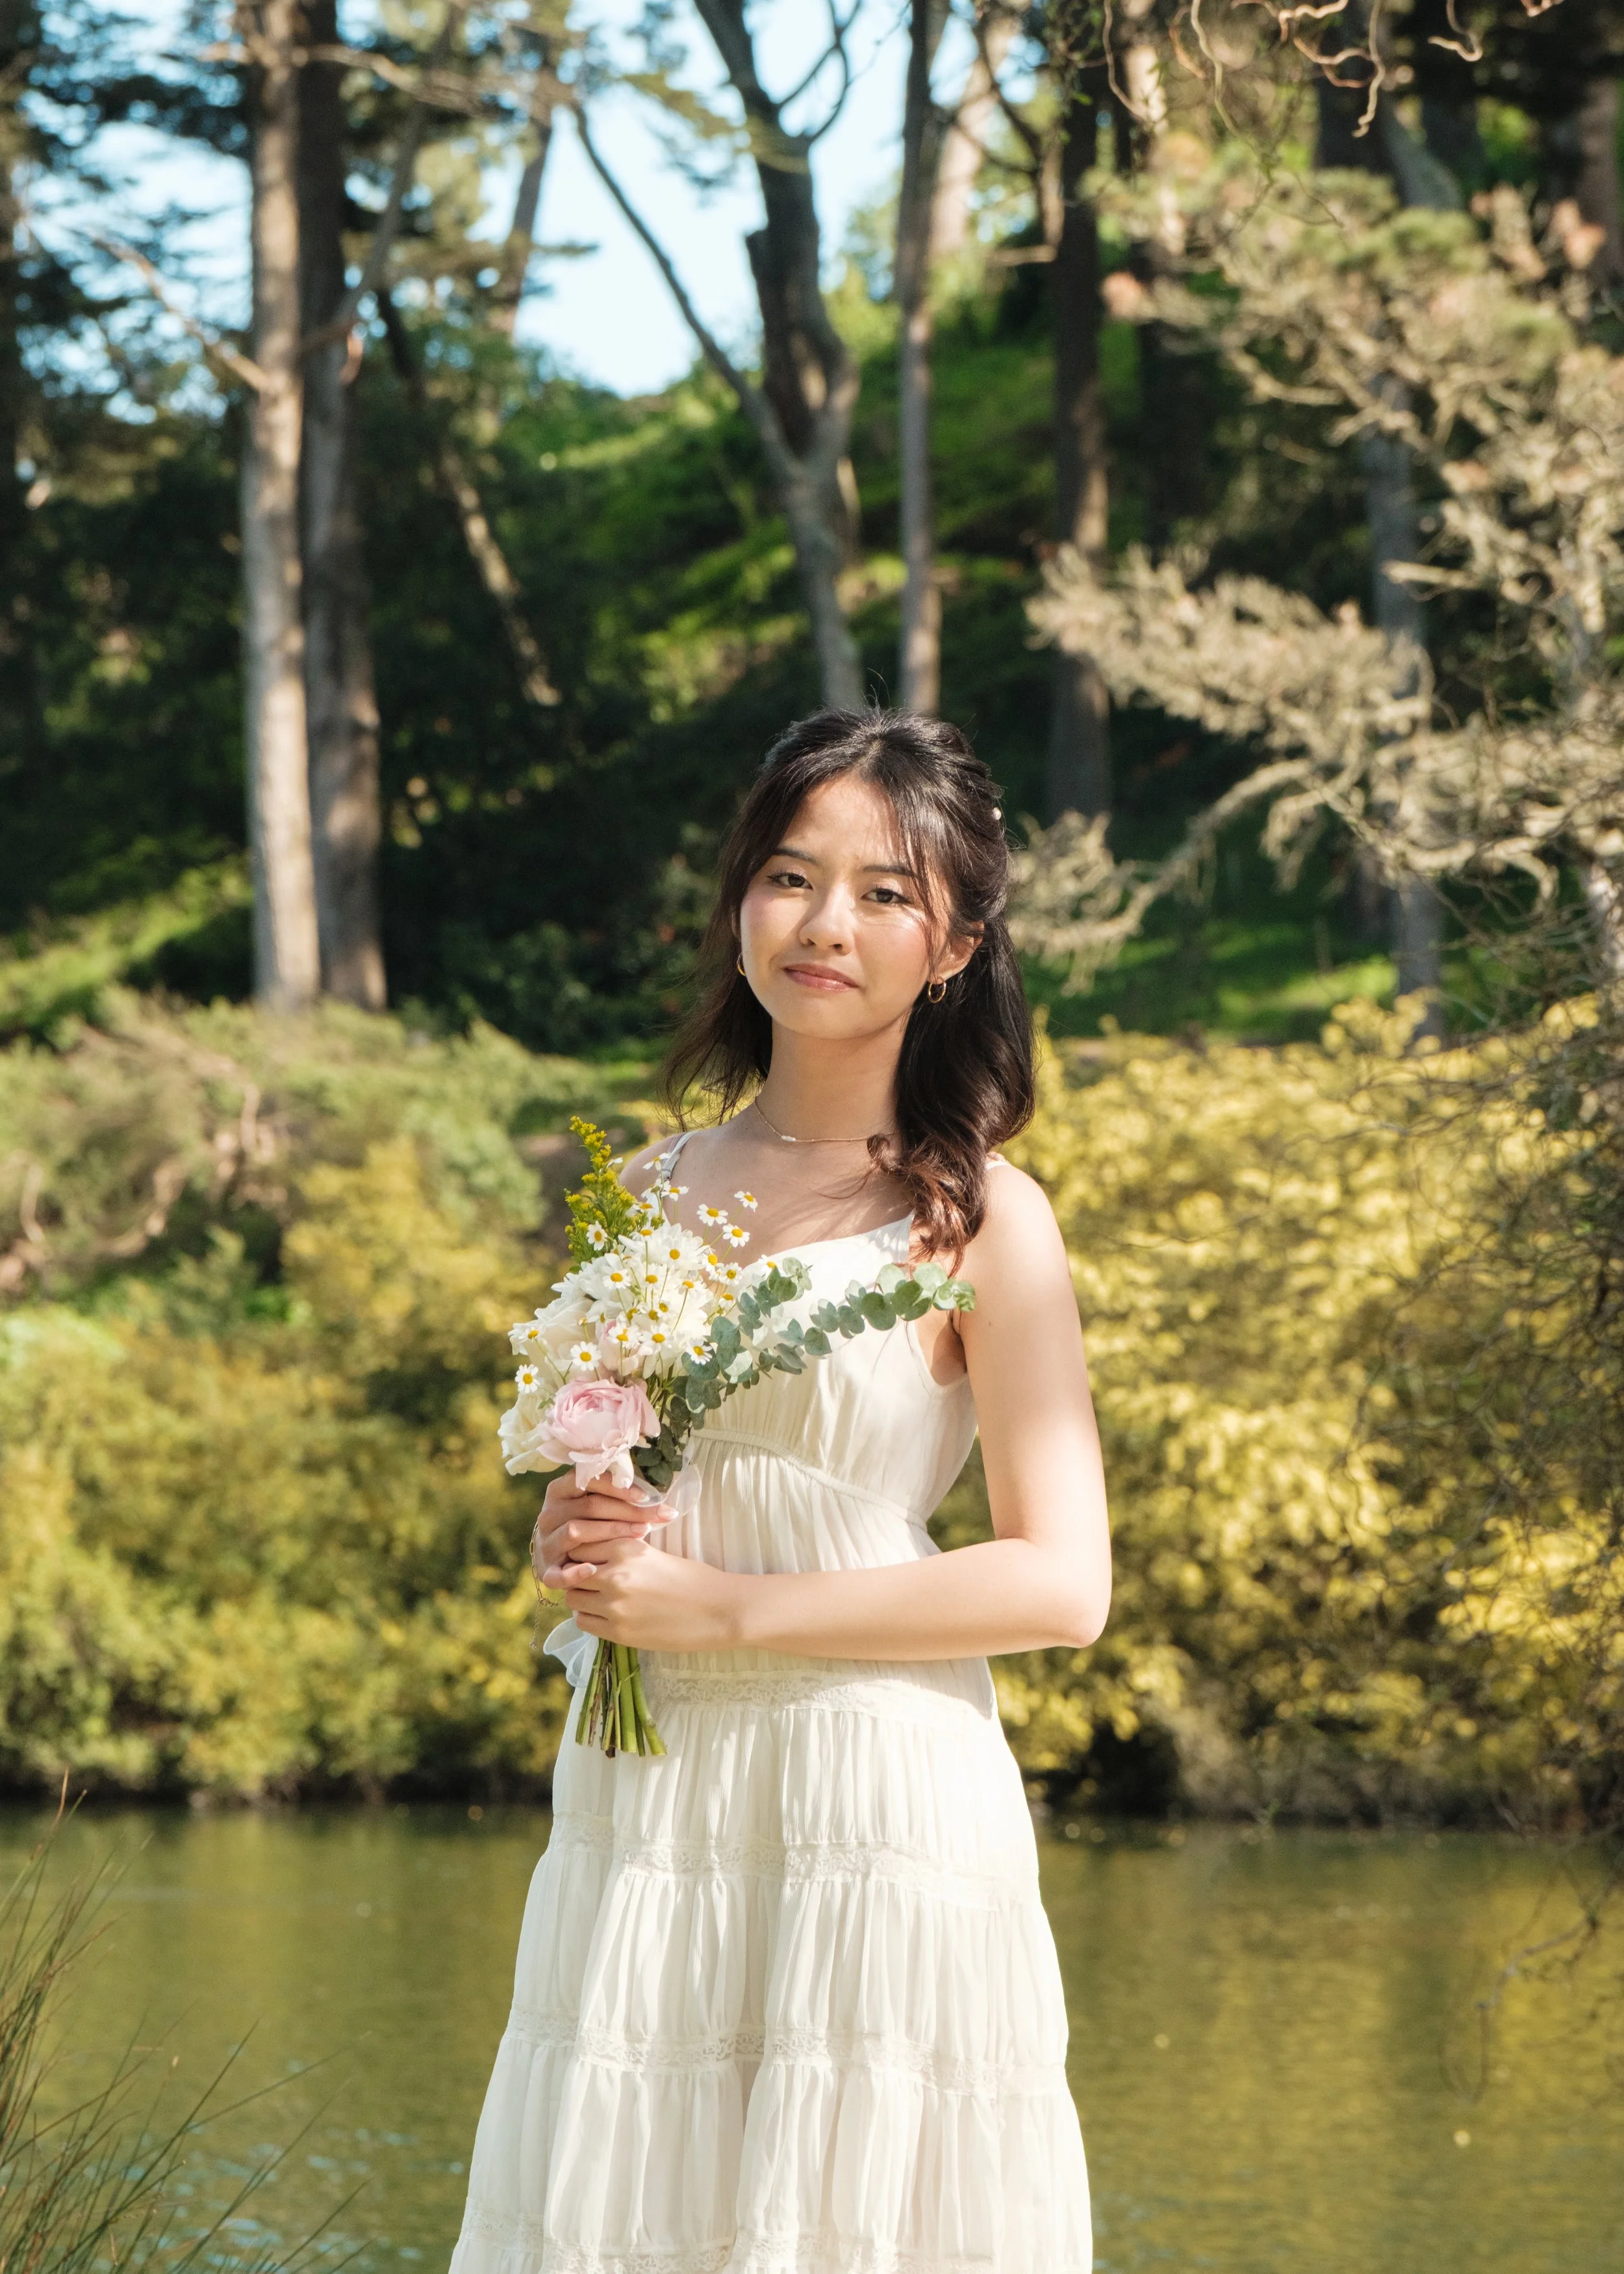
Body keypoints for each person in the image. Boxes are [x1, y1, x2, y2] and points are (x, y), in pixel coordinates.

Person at [451, 708, 1112, 2274]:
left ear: (951, 941)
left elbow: (1059, 1581)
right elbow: (644, 1459)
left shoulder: (979, 1215)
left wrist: (729, 1605)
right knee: (631, 2194)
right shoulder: (653, 1190)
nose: (826, 924)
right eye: (791, 876)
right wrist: (584, 1532)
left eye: (885, 892)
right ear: (739, 896)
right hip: (656, 1778)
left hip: (866, 1794)